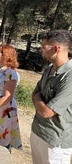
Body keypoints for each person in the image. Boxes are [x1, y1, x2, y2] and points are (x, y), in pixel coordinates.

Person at [30, 30, 72, 164]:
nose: (41, 49)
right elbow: (34, 93)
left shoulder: (69, 77)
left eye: (43, 46)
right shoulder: (49, 68)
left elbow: (47, 112)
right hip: (38, 133)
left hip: (55, 142)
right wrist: (38, 99)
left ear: (56, 49)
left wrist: (37, 99)